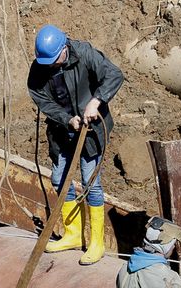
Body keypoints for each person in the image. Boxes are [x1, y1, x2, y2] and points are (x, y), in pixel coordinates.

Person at [26, 24, 124, 265]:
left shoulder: (84, 53)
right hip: (63, 131)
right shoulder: (40, 68)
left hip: (92, 132)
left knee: (91, 183)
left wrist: (96, 101)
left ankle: (96, 242)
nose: (50, 65)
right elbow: (42, 99)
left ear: (64, 48)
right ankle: (72, 233)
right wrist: (67, 119)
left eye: (54, 60)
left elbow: (114, 75)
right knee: (60, 179)